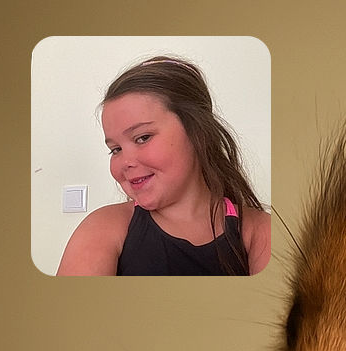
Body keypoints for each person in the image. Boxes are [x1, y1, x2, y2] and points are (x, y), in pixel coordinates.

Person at [57, 56, 270, 276]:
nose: (125, 162)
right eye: (116, 149)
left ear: (197, 132)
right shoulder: (103, 229)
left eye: (143, 138)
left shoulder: (259, 232)